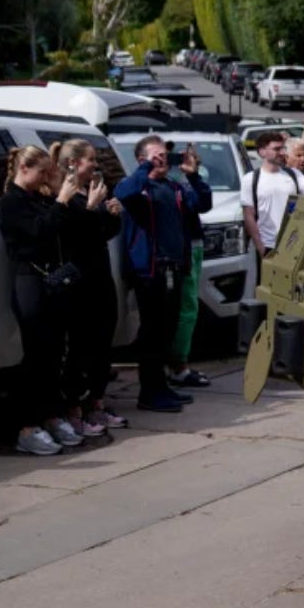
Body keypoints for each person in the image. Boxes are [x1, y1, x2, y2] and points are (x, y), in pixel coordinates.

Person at [0, 145, 85, 455]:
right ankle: (27, 425)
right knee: (36, 354)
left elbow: (63, 228)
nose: (46, 178)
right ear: (24, 169)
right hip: (28, 280)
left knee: (54, 353)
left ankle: (51, 414)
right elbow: (38, 231)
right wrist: (60, 202)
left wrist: (67, 198)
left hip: (50, 280)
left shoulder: (37, 198)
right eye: (42, 172)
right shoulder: (12, 202)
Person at [49, 139, 130, 433]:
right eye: (91, 160)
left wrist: (112, 213)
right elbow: (73, 235)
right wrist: (92, 208)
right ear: (73, 163)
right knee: (80, 347)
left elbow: (101, 233)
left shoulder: (90, 191)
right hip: (79, 279)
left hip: (100, 275)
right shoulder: (65, 195)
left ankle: (97, 403)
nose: (96, 165)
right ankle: (74, 409)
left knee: (102, 343)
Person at [116, 135, 195, 413]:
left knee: (167, 331)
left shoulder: (173, 187)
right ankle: (149, 392)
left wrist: (192, 176)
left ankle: (160, 386)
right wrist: (146, 168)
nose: (163, 159)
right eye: (156, 155)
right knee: (152, 332)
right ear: (142, 159)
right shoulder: (138, 186)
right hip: (150, 271)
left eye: (165, 155)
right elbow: (123, 194)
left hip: (174, 267)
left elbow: (201, 204)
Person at [167, 143, 214, 390]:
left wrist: (193, 175)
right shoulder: (155, 183)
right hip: (173, 254)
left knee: (188, 308)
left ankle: (179, 364)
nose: (170, 160)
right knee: (183, 310)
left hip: (190, 247)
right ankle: (177, 366)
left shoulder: (185, 181)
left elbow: (202, 203)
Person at [242, 132, 304, 260]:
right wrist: (261, 249)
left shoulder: (294, 174)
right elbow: (249, 216)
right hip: (267, 246)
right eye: (276, 149)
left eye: (283, 148)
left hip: (294, 245)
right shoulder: (250, 179)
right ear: (262, 152)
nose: (281, 152)